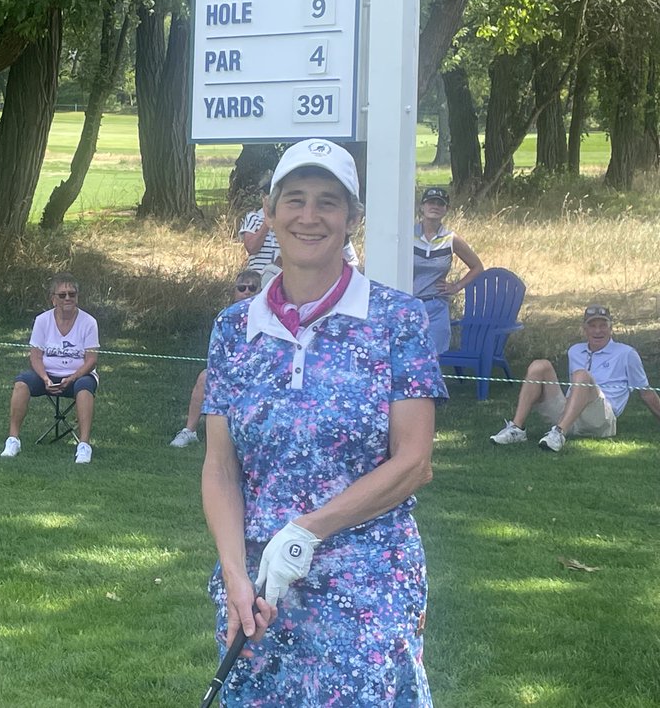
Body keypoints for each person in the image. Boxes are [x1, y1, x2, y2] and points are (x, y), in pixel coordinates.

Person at [202, 138, 446, 706]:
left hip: (369, 578)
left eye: (328, 202)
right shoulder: (233, 329)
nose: (309, 216)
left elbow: (414, 462)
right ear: (269, 212)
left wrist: (308, 528)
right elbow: (219, 468)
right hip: (260, 589)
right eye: (294, 199)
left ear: (352, 218)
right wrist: (235, 575)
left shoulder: (397, 320)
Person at [490, 304, 660, 452]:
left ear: (611, 328)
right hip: (570, 412)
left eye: (603, 325)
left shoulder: (627, 353)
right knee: (539, 365)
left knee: (581, 375)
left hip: (602, 419)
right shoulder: (575, 351)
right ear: (584, 329)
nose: (598, 331)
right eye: (592, 326)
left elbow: (645, 392)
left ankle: (558, 433)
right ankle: (516, 429)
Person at [0, 272, 100, 464]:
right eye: (62, 295)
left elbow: (91, 360)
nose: (68, 298)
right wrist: (45, 378)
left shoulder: (89, 322)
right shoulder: (42, 320)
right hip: (47, 375)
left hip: (79, 376)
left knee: (85, 387)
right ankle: (13, 440)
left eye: (73, 294)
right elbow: (35, 356)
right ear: (53, 299)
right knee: (22, 382)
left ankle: (84, 445)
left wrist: (72, 378)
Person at [170, 269, 265, 448]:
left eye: (252, 288)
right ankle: (189, 431)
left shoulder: (268, 318)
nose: (246, 292)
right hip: (228, 370)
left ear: (260, 291)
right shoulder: (225, 318)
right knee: (205, 377)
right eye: (241, 288)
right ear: (234, 291)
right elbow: (216, 353)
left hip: (257, 371)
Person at [413, 187, 483, 355]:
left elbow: (477, 267)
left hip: (436, 305)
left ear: (446, 210)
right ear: (422, 206)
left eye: (440, 204)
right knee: (409, 358)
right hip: (410, 304)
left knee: (434, 361)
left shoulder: (450, 238)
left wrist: (456, 286)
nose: (435, 206)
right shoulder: (408, 234)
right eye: (430, 202)